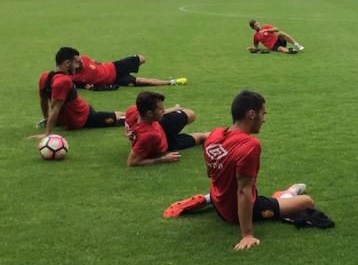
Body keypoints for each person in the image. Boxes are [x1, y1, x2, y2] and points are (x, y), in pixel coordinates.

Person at [163, 90, 316, 249]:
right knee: (307, 202)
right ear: (251, 114)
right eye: (263, 114)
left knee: (228, 180)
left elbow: (212, 172)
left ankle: (208, 198)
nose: (264, 119)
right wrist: (247, 234)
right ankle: (287, 194)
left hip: (218, 199)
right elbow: (244, 191)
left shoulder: (214, 135)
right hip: (234, 211)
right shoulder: (249, 145)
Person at [35, 47, 125, 136]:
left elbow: (48, 103)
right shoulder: (61, 81)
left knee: (117, 118)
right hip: (80, 117)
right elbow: (50, 104)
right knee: (115, 116)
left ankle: (135, 116)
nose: (78, 66)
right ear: (67, 63)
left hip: (84, 117)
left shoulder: (45, 77)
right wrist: (47, 128)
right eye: (76, 63)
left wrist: (47, 129)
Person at [124, 91, 209, 167]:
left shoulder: (133, 110)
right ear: (149, 113)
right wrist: (163, 159)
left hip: (160, 125)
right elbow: (131, 162)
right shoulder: (148, 136)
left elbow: (128, 127)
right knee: (201, 137)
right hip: (168, 143)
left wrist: (174, 109)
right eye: (160, 109)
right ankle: (220, 136)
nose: (163, 110)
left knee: (191, 114)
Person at [71, 53, 185, 90]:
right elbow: (78, 85)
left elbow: (96, 63)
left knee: (141, 58)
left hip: (115, 67)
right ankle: (171, 82)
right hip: (116, 79)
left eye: (79, 59)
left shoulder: (85, 58)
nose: (80, 62)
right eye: (77, 62)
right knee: (141, 81)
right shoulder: (75, 77)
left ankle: (133, 62)